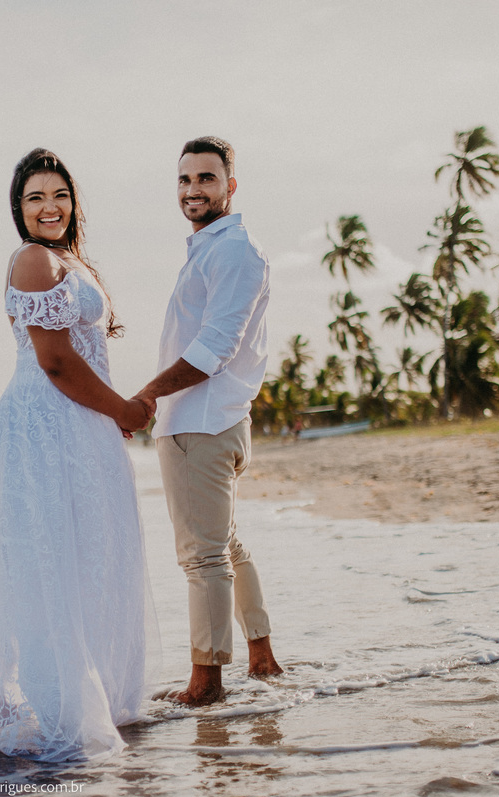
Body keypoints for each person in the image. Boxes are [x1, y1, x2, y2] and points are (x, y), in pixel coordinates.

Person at [0, 148, 159, 761]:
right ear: (18, 209)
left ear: (74, 201)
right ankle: (65, 710)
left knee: (93, 555)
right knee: (51, 566)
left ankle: (94, 698)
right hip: (43, 425)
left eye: (60, 194)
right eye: (35, 197)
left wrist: (107, 413)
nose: (50, 207)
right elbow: (56, 360)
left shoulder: (68, 259)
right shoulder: (32, 260)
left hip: (76, 423)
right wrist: (121, 410)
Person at [133, 136, 283, 706]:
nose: (193, 190)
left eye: (206, 179)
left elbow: (215, 346)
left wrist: (146, 395)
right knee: (225, 545)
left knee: (204, 557)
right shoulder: (210, 249)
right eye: (184, 180)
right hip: (212, 418)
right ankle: (261, 654)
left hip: (201, 421)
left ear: (231, 186)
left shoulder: (234, 249)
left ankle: (207, 682)